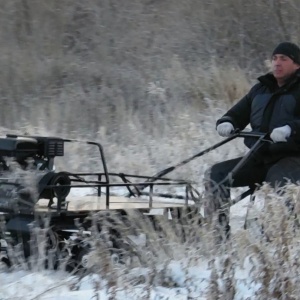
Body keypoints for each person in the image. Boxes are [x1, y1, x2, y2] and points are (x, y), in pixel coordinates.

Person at [204, 42, 300, 240]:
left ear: (297, 64)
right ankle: (218, 237)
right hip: (259, 155)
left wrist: (291, 129)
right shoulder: (260, 89)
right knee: (216, 174)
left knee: (279, 183)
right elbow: (237, 113)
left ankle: (279, 242)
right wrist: (227, 122)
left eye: (284, 59)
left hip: (292, 158)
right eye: (274, 58)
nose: (277, 63)